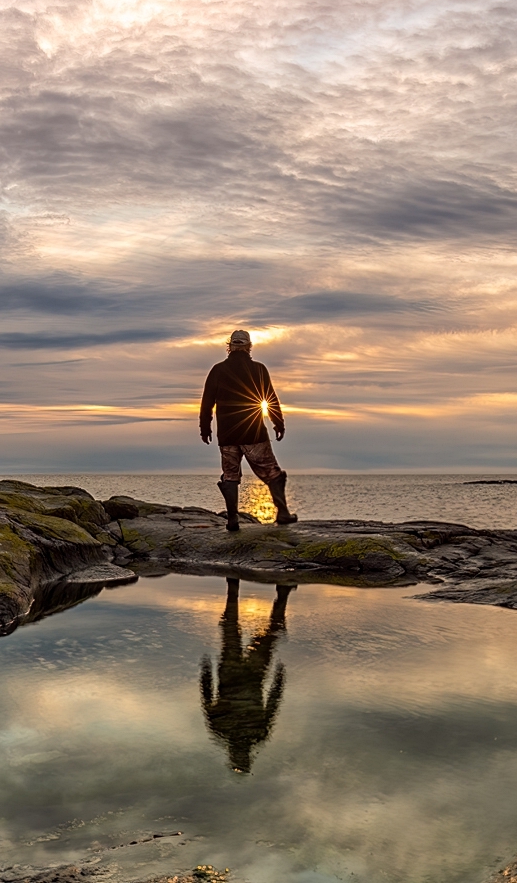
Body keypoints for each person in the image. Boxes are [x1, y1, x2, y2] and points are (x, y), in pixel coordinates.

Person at [199, 329, 297, 530]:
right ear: (248, 347)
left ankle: (233, 520)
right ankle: (284, 513)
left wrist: (205, 428)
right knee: (271, 472)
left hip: (227, 434)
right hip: (253, 432)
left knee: (230, 475)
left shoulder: (218, 370)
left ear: (230, 346)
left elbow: (207, 402)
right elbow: (270, 399)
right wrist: (278, 423)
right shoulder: (259, 369)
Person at [200, 578, 294, 772]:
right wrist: (279, 681)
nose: (240, 753)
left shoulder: (223, 730)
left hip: (234, 673)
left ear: (231, 755)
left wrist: (206, 672)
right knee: (259, 634)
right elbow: (272, 704)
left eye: (237, 757)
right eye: (243, 757)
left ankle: (236, 585)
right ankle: (279, 592)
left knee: (235, 630)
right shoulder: (254, 733)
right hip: (250, 675)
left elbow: (207, 698)